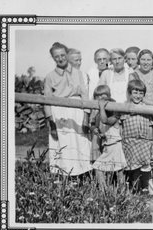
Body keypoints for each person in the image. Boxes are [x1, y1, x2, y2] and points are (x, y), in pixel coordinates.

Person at [44, 42, 91, 177]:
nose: (60, 58)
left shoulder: (79, 73)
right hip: (58, 113)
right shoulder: (50, 76)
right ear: (53, 58)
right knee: (62, 145)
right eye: (56, 56)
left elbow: (85, 96)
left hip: (77, 111)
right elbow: (46, 101)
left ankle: (82, 177)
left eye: (63, 55)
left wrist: (86, 117)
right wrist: (51, 123)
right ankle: (63, 177)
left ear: (67, 55)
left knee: (80, 143)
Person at [128, 49, 153, 193]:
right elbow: (136, 94)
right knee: (143, 152)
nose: (146, 62)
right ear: (139, 61)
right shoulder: (133, 75)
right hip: (141, 118)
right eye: (143, 59)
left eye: (149, 60)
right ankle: (147, 187)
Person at [120, 80, 153, 195]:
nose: (138, 96)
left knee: (146, 168)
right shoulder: (124, 107)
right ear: (129, 93)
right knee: (134, 169)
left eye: (141, 93)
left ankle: (146, 189)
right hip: (130, 143)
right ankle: (135, 191)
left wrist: (150, 141)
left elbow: (150, 125)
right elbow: (121, 126)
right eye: (135, 92)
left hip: (144, 142)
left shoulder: (146, 107)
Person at [90, 85, 127, 191]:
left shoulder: (115, 117)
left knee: (113, 169)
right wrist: (96, 131)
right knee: (116, 169)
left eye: (104, 97)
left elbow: (105, 121)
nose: (101, 99)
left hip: (115, 146)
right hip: (108, 145)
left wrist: (101, 107)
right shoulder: (99, 114)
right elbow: (95, 124)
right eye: (98, 97)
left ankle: (119, 191)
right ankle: (105, 190)